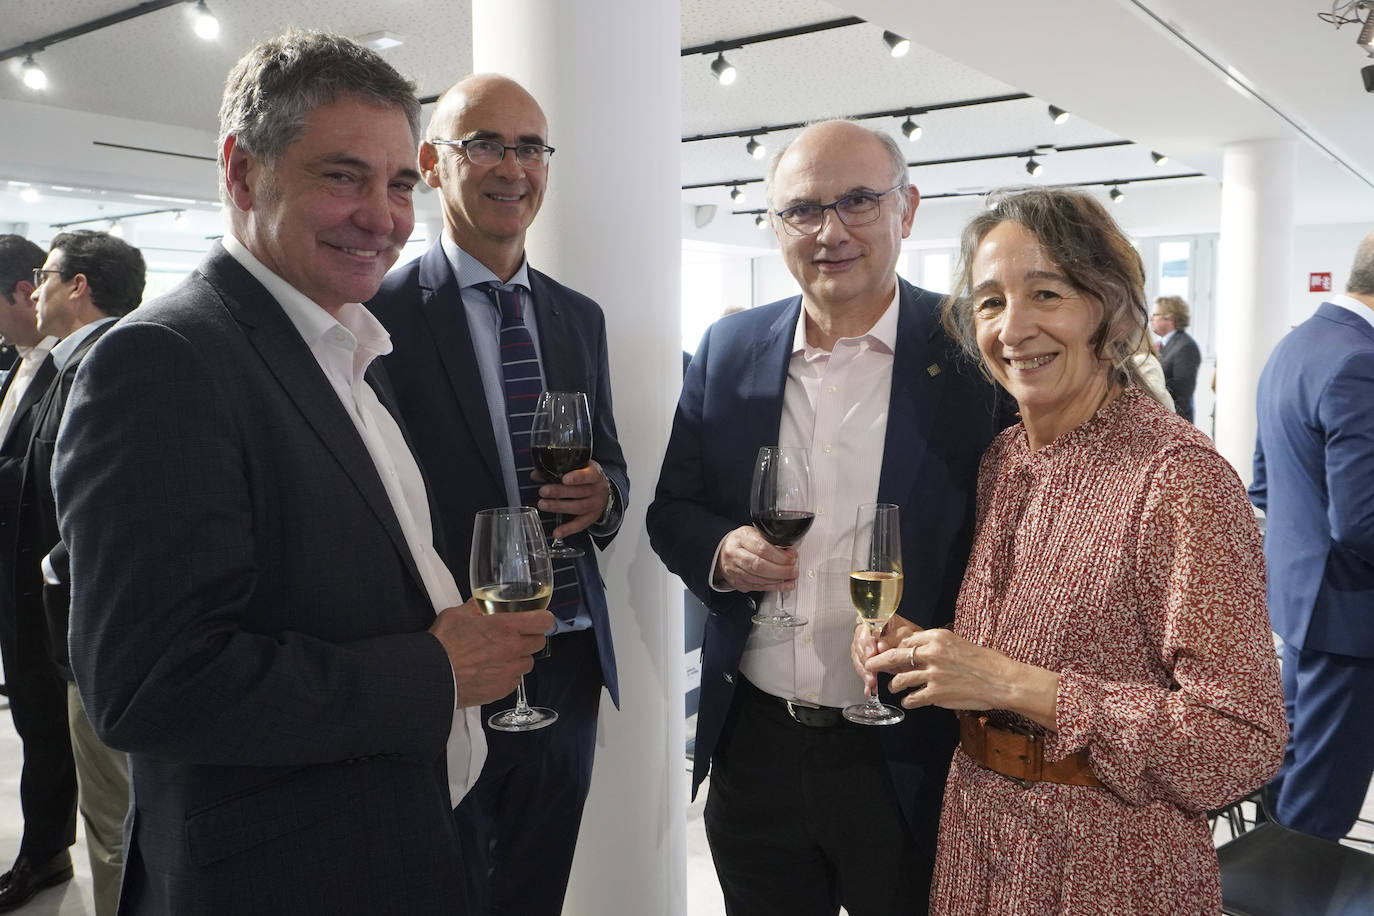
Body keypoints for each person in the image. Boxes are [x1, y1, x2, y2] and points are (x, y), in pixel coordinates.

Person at [51, 31, 551, 915]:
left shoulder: (348, 343)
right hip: (282, 873)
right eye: (343, 176)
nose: (385, 217)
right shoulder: (164, 362)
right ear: (243, 173)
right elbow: (149, 685)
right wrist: (435, 674)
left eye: (399, 183)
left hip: (391, 834)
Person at [862, 188, 1286, 914]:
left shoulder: (1178, 478)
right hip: (978, 842)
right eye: (990, 302)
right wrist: (936, 653)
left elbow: (1239, 741)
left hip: (1108, 863)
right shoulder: (1004, 458)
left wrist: (1011, 683)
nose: (1014, 327)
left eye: (1046, 293)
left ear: (1110, 311)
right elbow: (1053, 641)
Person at [647, 120, 1007, 916]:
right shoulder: (731, 348)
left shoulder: (977, 356)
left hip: (913, 750)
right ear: (775, 227)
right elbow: (672, 510)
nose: (830, 230)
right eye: (803, 210)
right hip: (758, 748)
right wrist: (722, 548)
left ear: (906, 209)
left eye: (857, 201)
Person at [369, 73, 628, 916]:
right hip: (449, 655)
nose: (511, 166)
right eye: (484, 143)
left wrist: (604, 497)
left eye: (529, 146)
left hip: (566, 653)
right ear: (433, 165)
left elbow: (611, 459)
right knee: (443, 884)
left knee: (535, 881)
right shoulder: (379, 313)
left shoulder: (576, 317)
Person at [24, 230, 143, 916]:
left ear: (78, 285)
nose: (33, 289)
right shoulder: (66, 362)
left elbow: (99, 518)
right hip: (82, 629)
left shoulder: (114, 361)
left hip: (100, 635)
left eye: (45, 274)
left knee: (116, 822)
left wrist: (51, 568)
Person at [1251, 229, 1374, 840]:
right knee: (1320, 804)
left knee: (1289, 774)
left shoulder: (1296, 344)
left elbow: (1265, 486)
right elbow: (1362, 523)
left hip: (1301, 605)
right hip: (1351, 620)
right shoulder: (1361, 360)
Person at [0, 235, 72, 912]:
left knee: (50, 723)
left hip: (46, 590)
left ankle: (45, 852)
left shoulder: (73, 371)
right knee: (31, 716)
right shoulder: (14, 366)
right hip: (14, 583)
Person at [1152, 294, 1201, 422]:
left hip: (1175, 421)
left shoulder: (1185, 346)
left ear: (1170, 318)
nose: (1151, 319)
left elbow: (1182, 392)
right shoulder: (1160, 345)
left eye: (1156, 315)